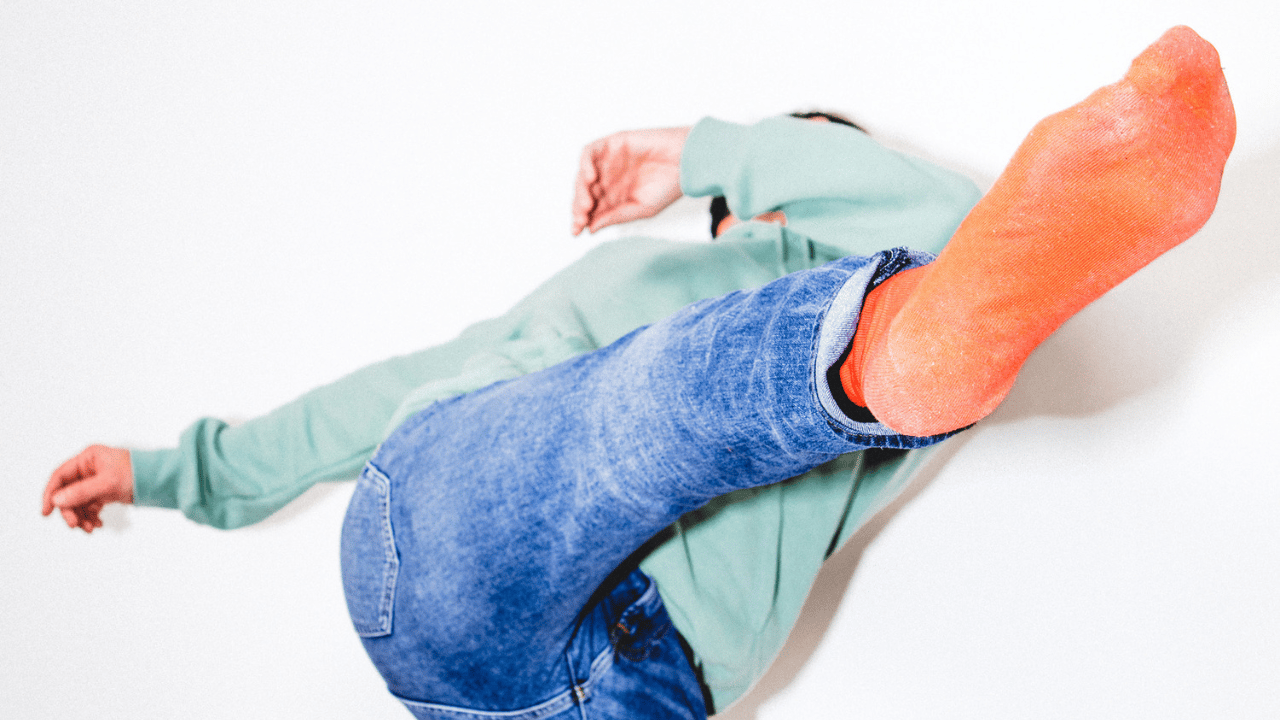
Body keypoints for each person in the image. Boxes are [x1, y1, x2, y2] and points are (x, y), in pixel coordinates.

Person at [42, 26, 1234, 720]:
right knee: (649, 412)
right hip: (448, 552)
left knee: (875, 335)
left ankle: (887, 351)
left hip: (631, 685)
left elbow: (946, 222)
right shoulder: (651, 276)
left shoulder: (917, 263)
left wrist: (724, 154)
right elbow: (375, 398)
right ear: (750, 208)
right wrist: (174, 472)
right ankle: (882, 356)